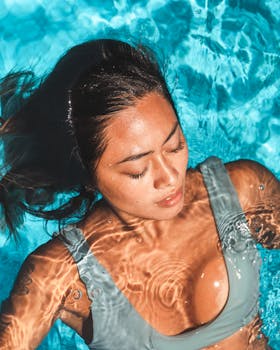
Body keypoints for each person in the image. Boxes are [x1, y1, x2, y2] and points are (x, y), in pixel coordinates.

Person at [0, 39, 279, 350]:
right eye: (137, 171)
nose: (169, 177)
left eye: (175, 145)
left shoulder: (241, 191)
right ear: (90, 176)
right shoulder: (62, 273)